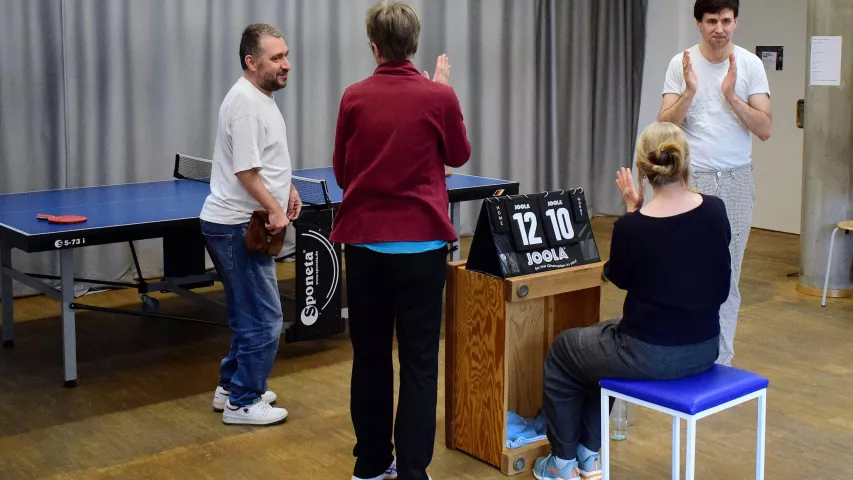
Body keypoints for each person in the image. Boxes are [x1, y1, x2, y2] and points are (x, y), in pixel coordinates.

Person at [533, 122, 731, 480]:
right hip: (704, 348)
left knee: (565, 352)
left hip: (649, 354)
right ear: (685, 164)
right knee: (597, 343)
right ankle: (589, 456)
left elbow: (618, 276)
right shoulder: (715, 210)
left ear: (642, 172)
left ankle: (562, 464)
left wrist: (633, 211)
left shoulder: (633, 226)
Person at [329, 1, 471, 478]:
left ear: (374, 46)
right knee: (419, 362)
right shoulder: (438, 98)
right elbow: (458, 153)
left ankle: (371, 465)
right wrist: (443, 91)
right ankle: (413, 470)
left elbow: (343, 173)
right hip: (423, 249)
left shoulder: (354, 96)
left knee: (369, 358)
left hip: (365, 246)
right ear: (414, 44)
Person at [657, 0, 772, 366]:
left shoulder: (750, 65)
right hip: (693, 180)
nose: (718, 28)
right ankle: (683, 352)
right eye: (711, 21)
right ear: (699, 23)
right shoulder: (682, 63)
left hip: (736, 179)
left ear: (736, 22)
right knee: (685, 268)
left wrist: (730, 95)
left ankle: (720, 359)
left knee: (728, 274)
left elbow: (765, 128)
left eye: (726, 20)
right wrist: (690, 92)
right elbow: (664, 126)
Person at [199, 23, 301, 426]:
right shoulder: (244, 102)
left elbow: (267, 158)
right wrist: (275, 210)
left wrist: (288, 188)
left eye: (286, 55)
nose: (286, 65)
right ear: (251, 61)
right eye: (276, 58)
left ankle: (231, 387)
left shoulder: (261, 97)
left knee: (247, 315)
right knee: (266, 318)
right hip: (236, 226)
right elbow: (245, 170)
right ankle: (244, 401)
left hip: (238, 224)